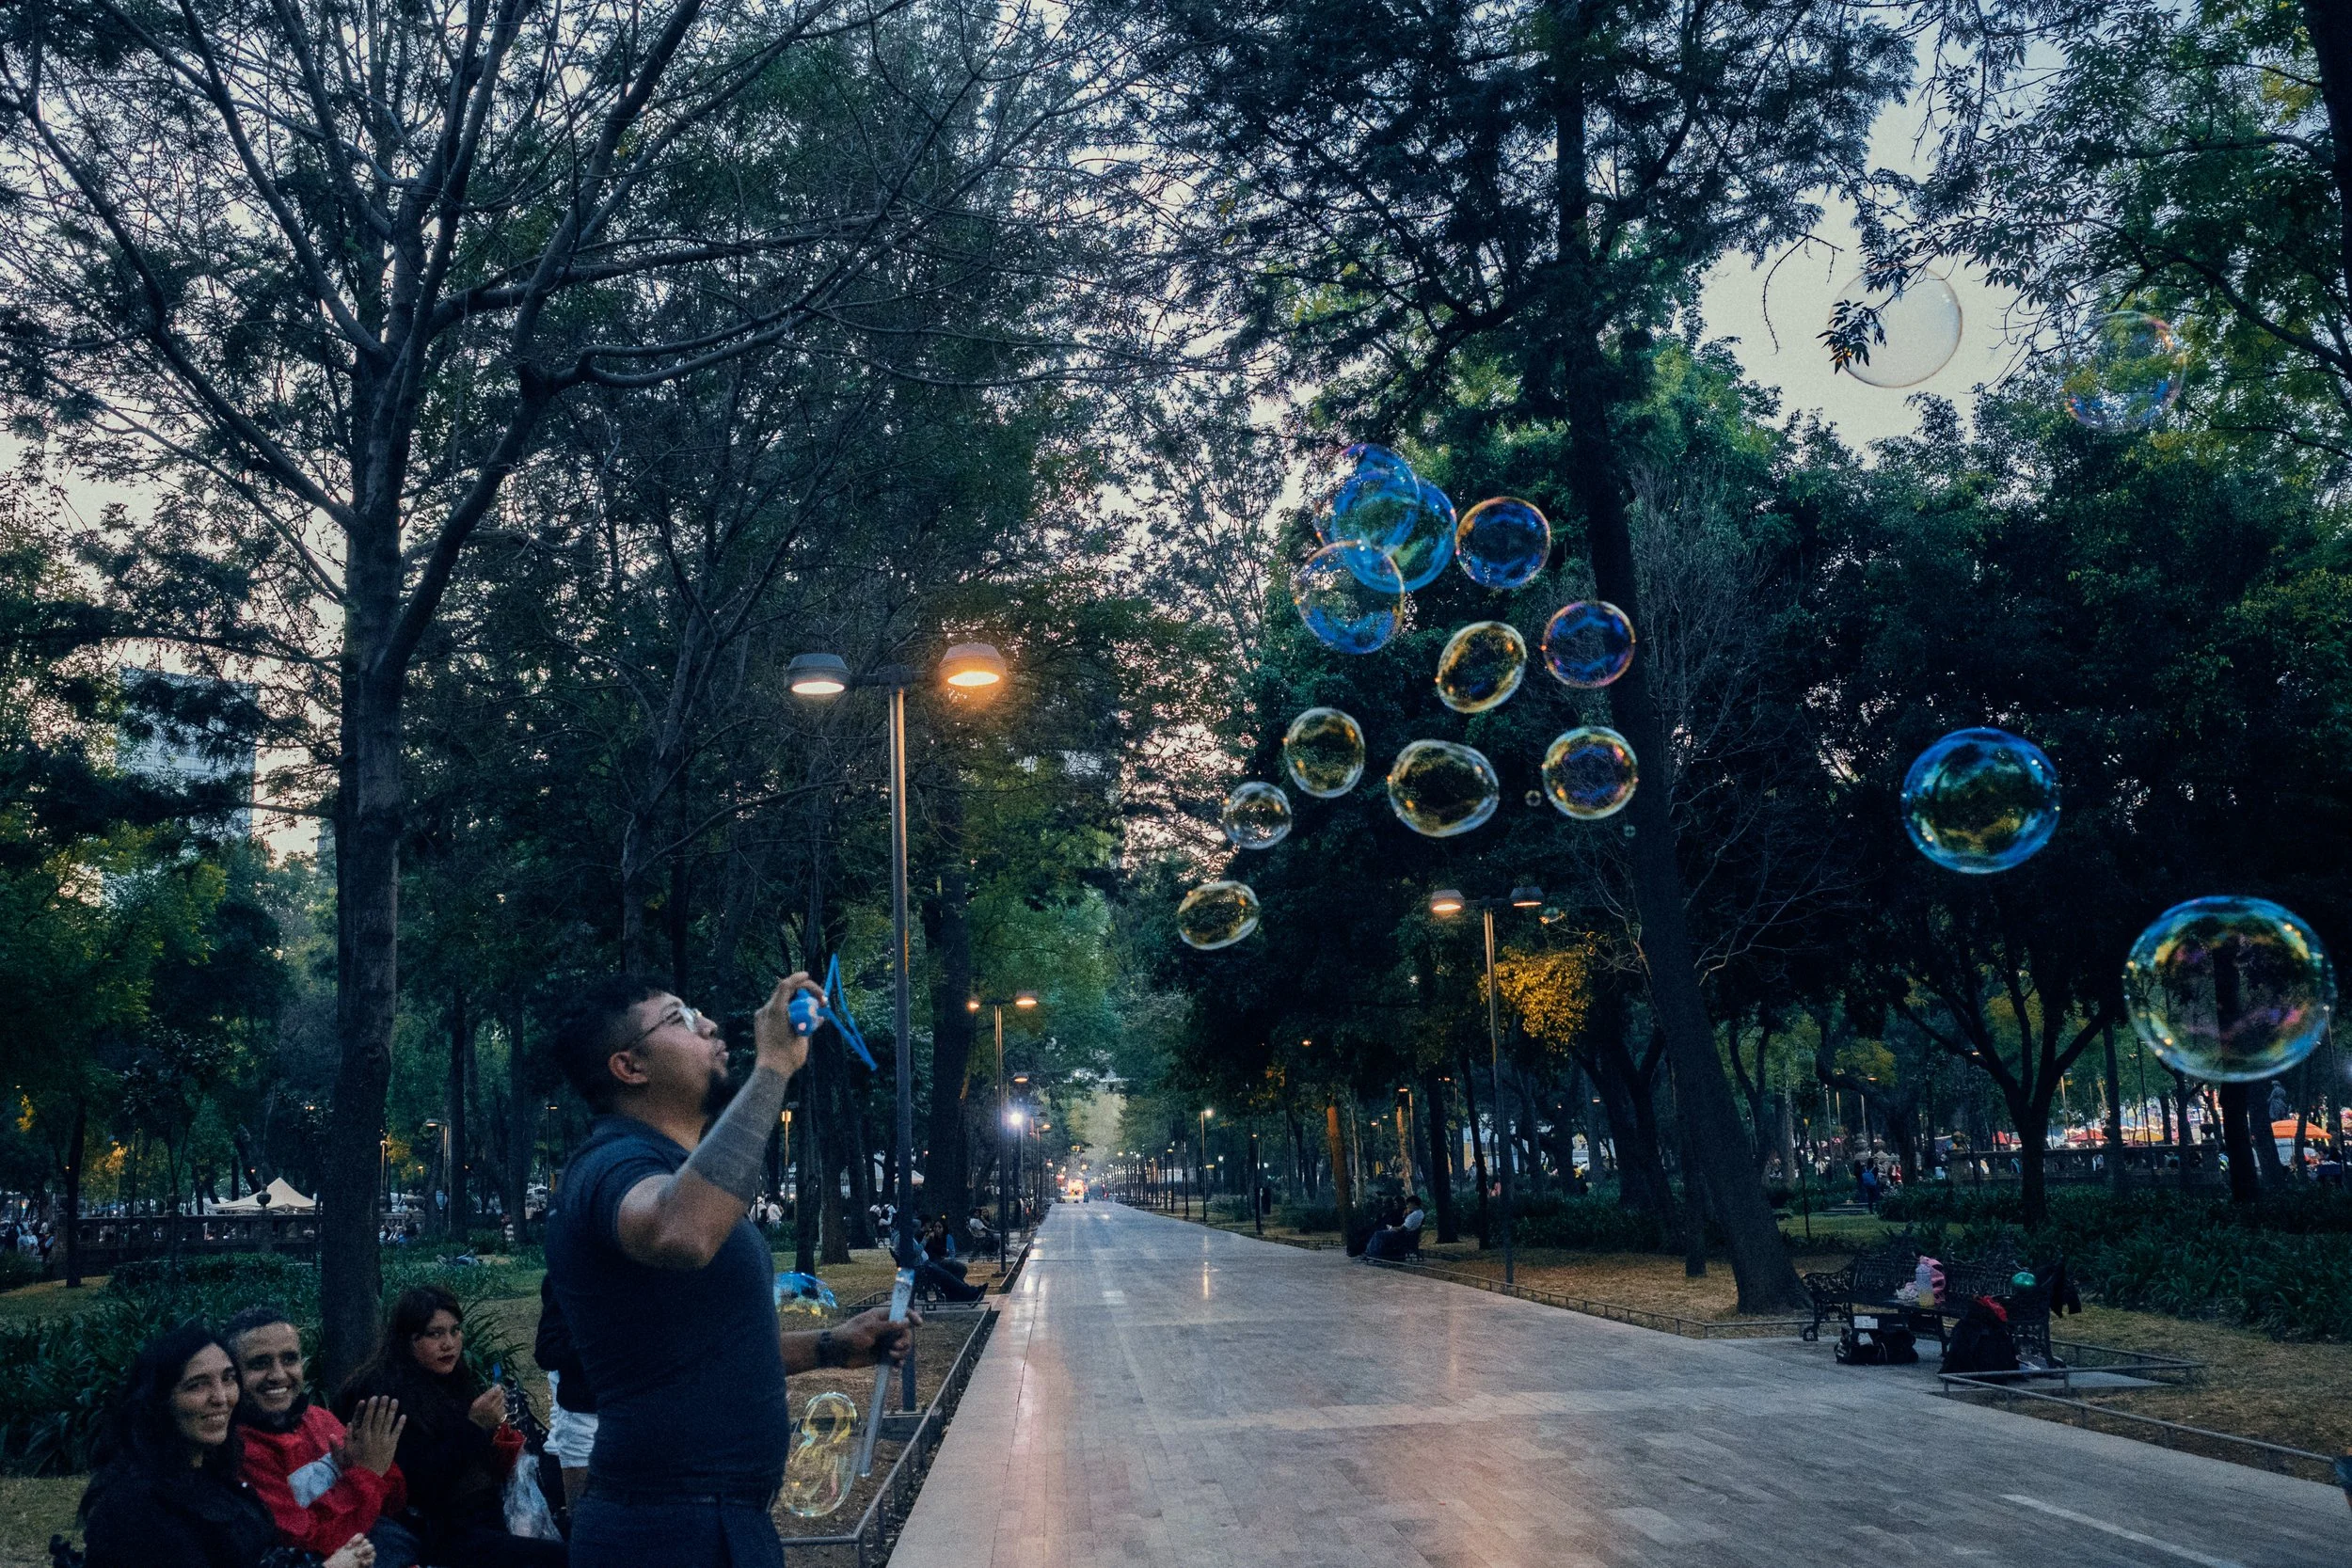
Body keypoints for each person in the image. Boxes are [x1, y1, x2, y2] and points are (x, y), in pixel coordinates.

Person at [544, 974, 917, 1568]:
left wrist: (830, 1346)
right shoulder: (608, 1164)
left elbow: (706, 1352)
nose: (710, 1024)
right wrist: (772, 1067)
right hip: (662, 1529)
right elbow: (680, 1230)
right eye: (680, 1019)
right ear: (629, 1066)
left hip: (721, 1520)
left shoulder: (675, 1169)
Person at [80, 1321, 374, 1568]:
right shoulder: (137, 1506)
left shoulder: (213, 1476)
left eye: (228, 1379)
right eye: (197, 1385)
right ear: (159, 1400)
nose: (221, 1397)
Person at [335, 1287, 563, 1567]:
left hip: (485, 1513)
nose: (449, 1343)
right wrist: (475, 1427)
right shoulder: (383, 1395)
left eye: (455, 1331)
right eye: (435, 1334)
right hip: (437, 1533)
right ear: (408, 1339)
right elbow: (421, 1484)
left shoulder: (448, 1377)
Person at [224, 1304, 421, 1566]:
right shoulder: (241, 1451)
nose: (279, 1375)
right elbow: (306, 1540)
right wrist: (367, 1474)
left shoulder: (319, 1419)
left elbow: (391, 1502)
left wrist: (375, 1466)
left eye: (290, 1359)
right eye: (260, 1363)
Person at [532, 1270, 597, 1510]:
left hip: (647, 1414)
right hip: (586, 1421)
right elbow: (547, 1350)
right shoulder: (570, 1273)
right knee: (586, 1522)